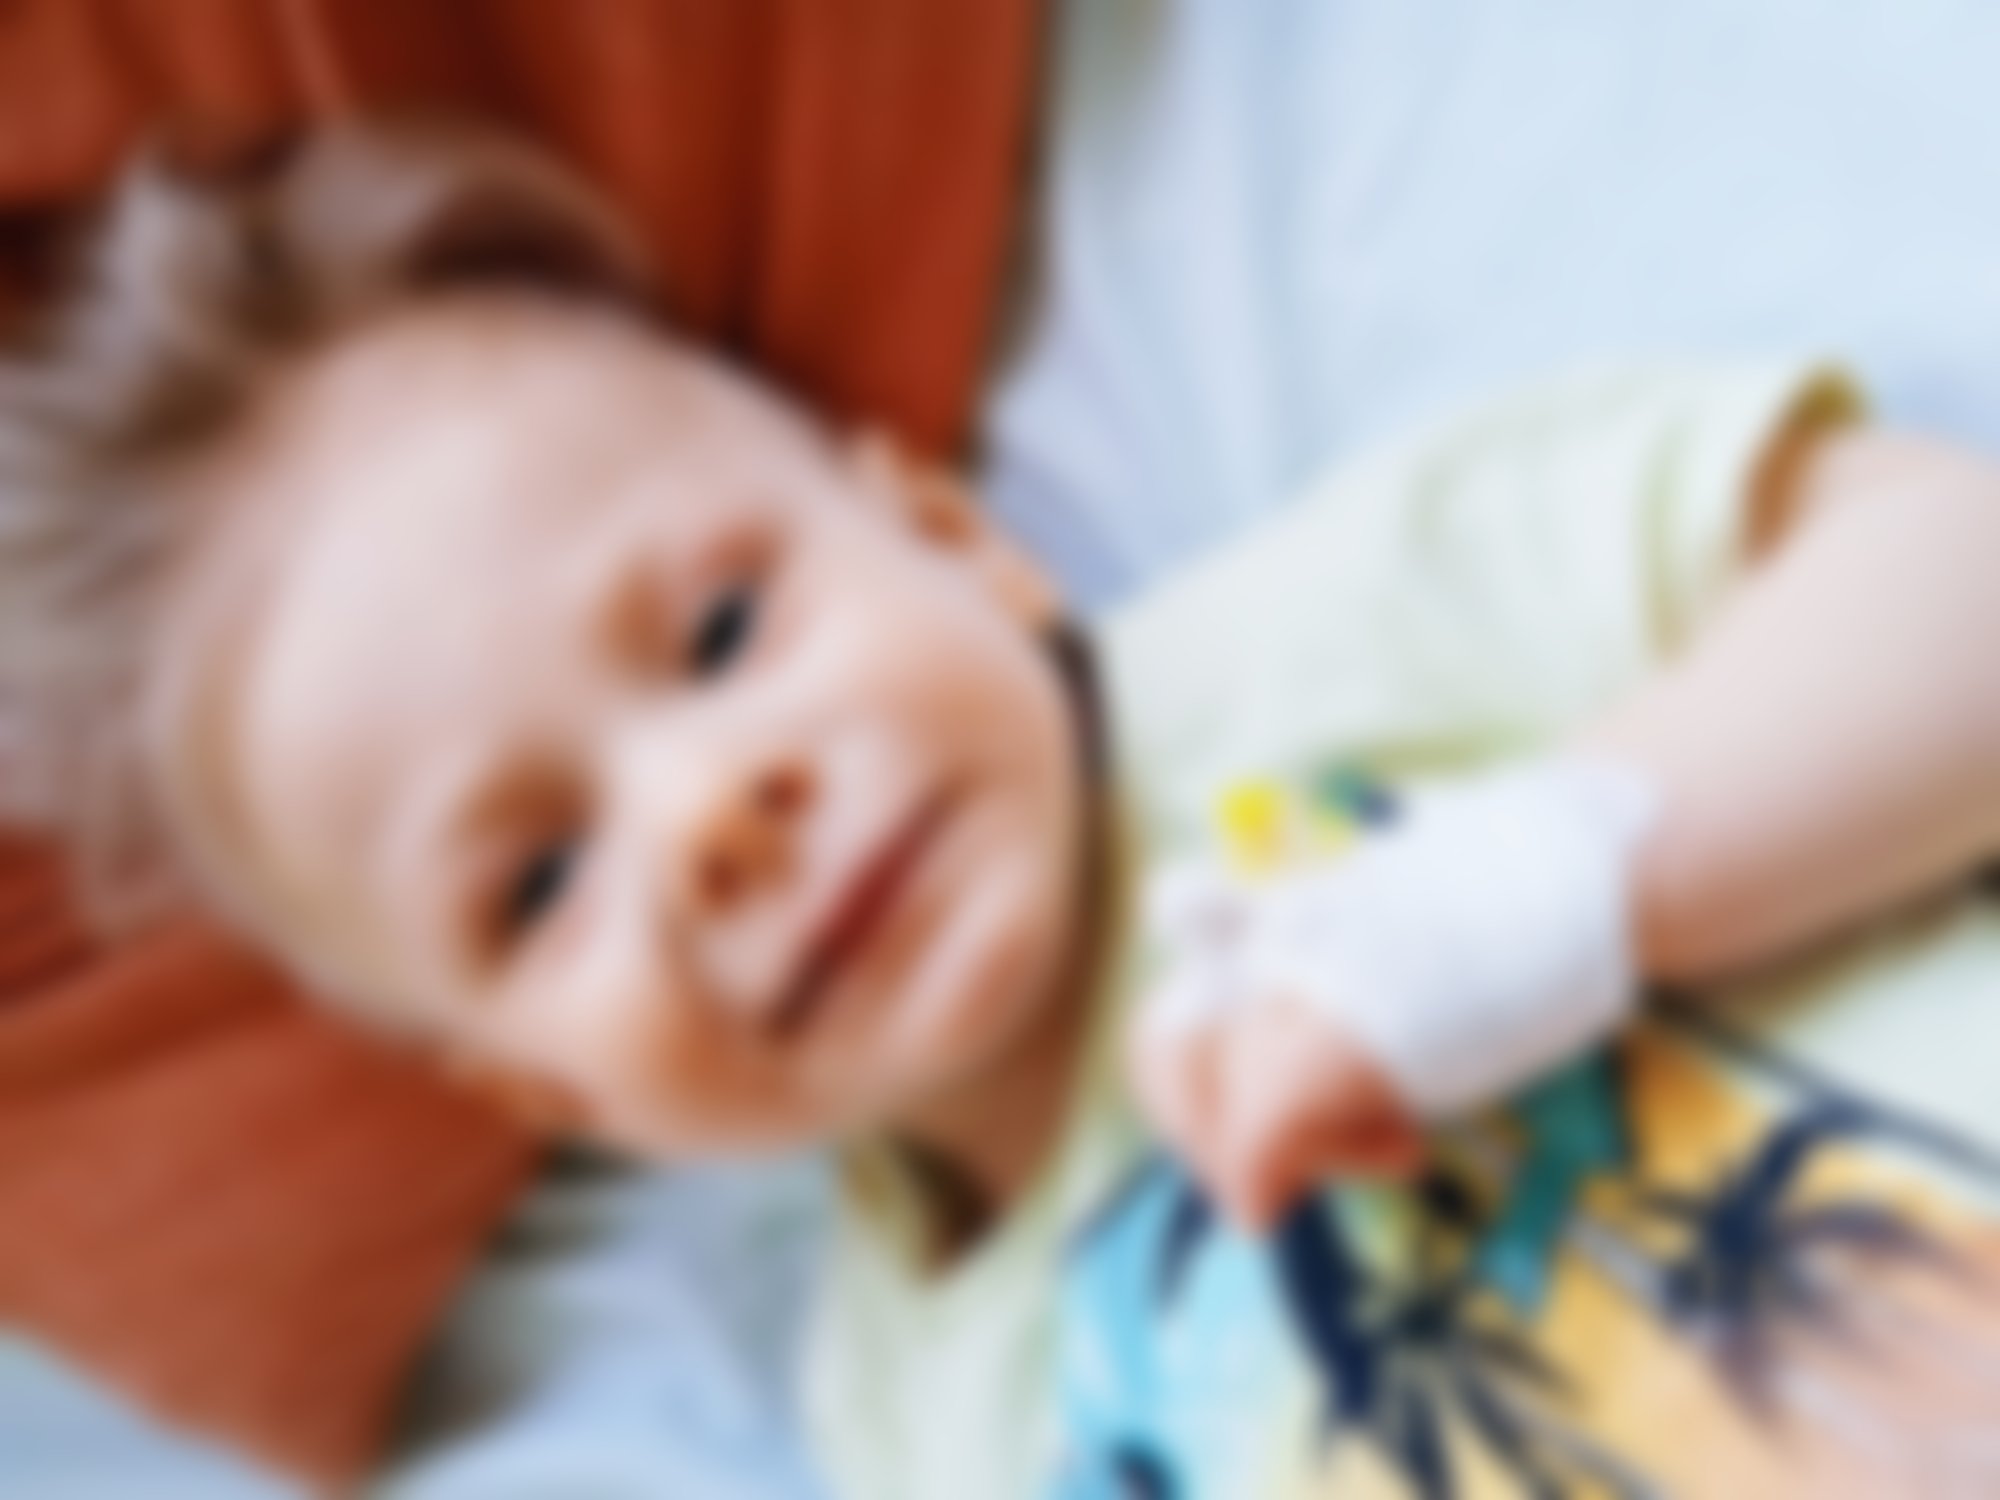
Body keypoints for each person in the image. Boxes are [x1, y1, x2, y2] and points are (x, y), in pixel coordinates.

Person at [4, 121, 1999, 1500]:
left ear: (955, 538)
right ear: (556, 1096)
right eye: (537, 884)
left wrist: (1564, 871)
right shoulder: (905, 1415)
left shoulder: (1344, 625)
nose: (707, 816)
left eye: (722, 630)